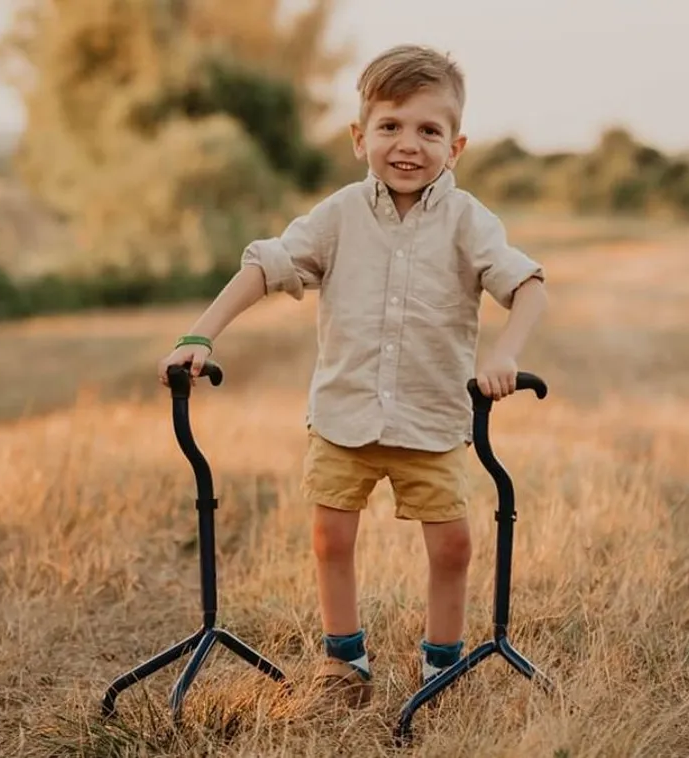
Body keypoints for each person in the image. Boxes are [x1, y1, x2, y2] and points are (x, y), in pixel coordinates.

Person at [157, 43, 548, 708]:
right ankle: (344, 663)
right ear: (357, 135)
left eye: (429, 131)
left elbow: (529, 285)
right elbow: (266, 266)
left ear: (455, 147)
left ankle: (441, 667)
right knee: (329, 536)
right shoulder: (338, 215)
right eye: (389, 126)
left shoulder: (467, 221)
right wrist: (200, 333)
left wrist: (503, 354)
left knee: (451, 544)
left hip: (432, 417)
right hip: (343, 415)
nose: (407, 145)